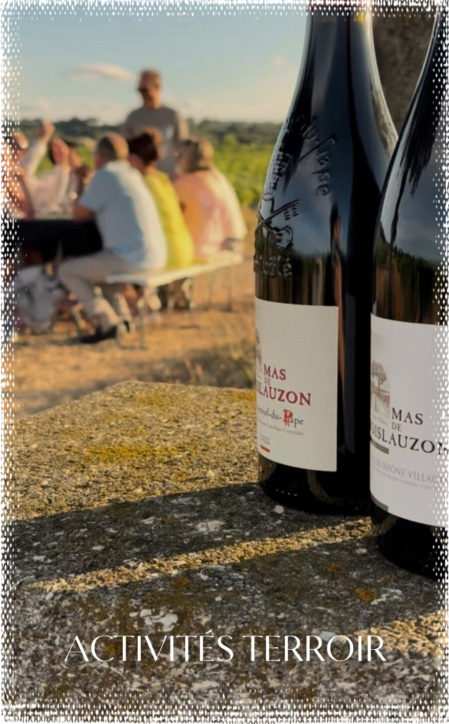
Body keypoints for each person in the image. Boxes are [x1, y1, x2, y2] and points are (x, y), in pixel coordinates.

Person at [59, 133, 167, 344]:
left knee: (67, 271)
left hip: (132, 259)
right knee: (104, 273)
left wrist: (80, 182)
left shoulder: (106, 175)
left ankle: (107, 322)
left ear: (99, 156)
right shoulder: (131, 174)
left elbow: (79, 214)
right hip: (154, 257)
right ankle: (123, 320)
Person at [128, 129, 194, 269]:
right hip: (185, 251)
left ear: (133, 159)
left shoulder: (142, 184)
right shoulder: (161, 179)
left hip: (167, 256)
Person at [173, 138, 247, 261]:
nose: (176, 159)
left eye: (181, 155)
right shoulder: (216, 177)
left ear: (192, 159)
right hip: (234, 240)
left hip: (213, 247)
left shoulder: (187, 183)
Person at [122, 69, 188, 176]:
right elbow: (124, 149)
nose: (142, 94)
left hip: (168, 176)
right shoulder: (133, 117)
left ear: (157, 87)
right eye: (140, 90)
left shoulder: (172, 115)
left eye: (145, 90)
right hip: (140, 177)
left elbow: (183, 147)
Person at [30, 138, 93, 217]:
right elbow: (58, 199)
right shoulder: (48, 179)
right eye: (57, 154)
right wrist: (62, 167)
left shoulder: (88, 177)